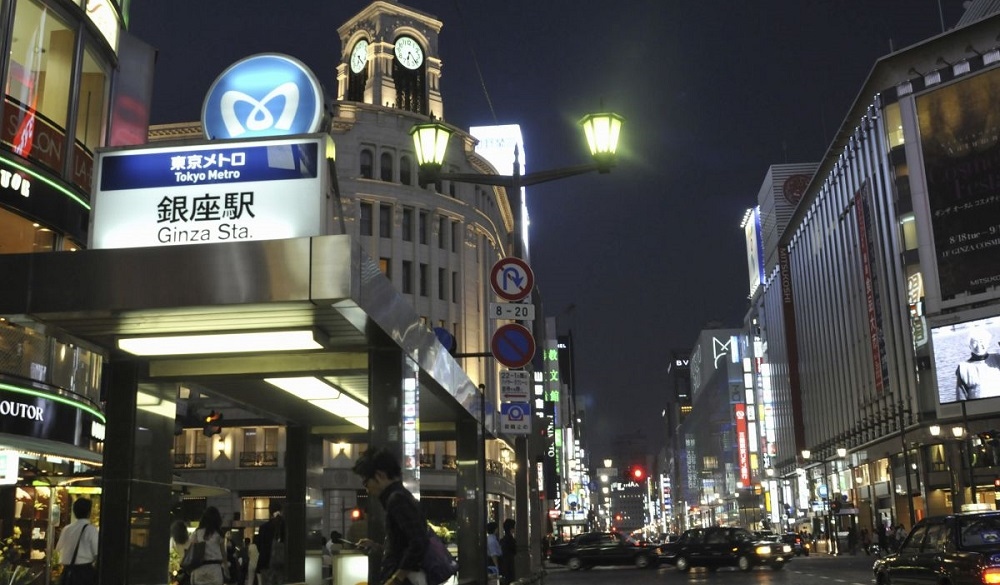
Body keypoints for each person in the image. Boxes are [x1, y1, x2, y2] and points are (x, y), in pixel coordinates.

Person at [352, 447, 429, 585]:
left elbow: (419, 541)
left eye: (366, 482)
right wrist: (376, 547)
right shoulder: (400, 496)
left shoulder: (397, 499)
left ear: (380, 475)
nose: (366, 488)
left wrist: (397, 578)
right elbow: (403, 546)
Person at [55, 498, 99, 585]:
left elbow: (58, 549)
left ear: (74, 512)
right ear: (89, 513)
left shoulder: (66, 529)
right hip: (84, 573)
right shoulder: (91, 529)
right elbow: (97, 553)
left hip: (67, 573)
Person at [955, 327, 1000, 400]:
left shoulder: (998, 358)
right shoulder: (963, 368)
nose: (979, 345)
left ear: (988, 344)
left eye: (982, 341)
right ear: (969, 346)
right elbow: (960, 398)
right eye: (975, 342)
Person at [189, 506, 229, 585]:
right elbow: (223, 553)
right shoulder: (219, 534)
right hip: (215, 569)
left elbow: (192, 551)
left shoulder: (197, 533)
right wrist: (226, 569)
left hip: (199, 569)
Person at [255, 502, 286, 585]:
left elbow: (259, 546)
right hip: (282, 563)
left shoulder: (263, 527)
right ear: (281, 511)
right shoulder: (286, 525)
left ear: (269, 512)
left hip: (266, 563)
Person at [499, 519, 516, 585]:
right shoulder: (511, 540)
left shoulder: (502, 540)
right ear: (511, 528)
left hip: (504, 563)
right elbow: (514, 551)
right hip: (509, 563)